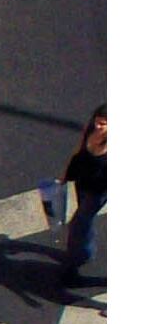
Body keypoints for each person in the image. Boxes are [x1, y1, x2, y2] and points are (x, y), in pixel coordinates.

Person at [59, 103, 106, 283]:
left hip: (98, 191)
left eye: (103, 124)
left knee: (79, 224)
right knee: (84, 222)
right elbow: (79, 152)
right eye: (97, 122)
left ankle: (77, 260)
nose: (98, 126)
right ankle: (84, 252)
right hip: (82, 182)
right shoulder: (90, 130)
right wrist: (65, 176)